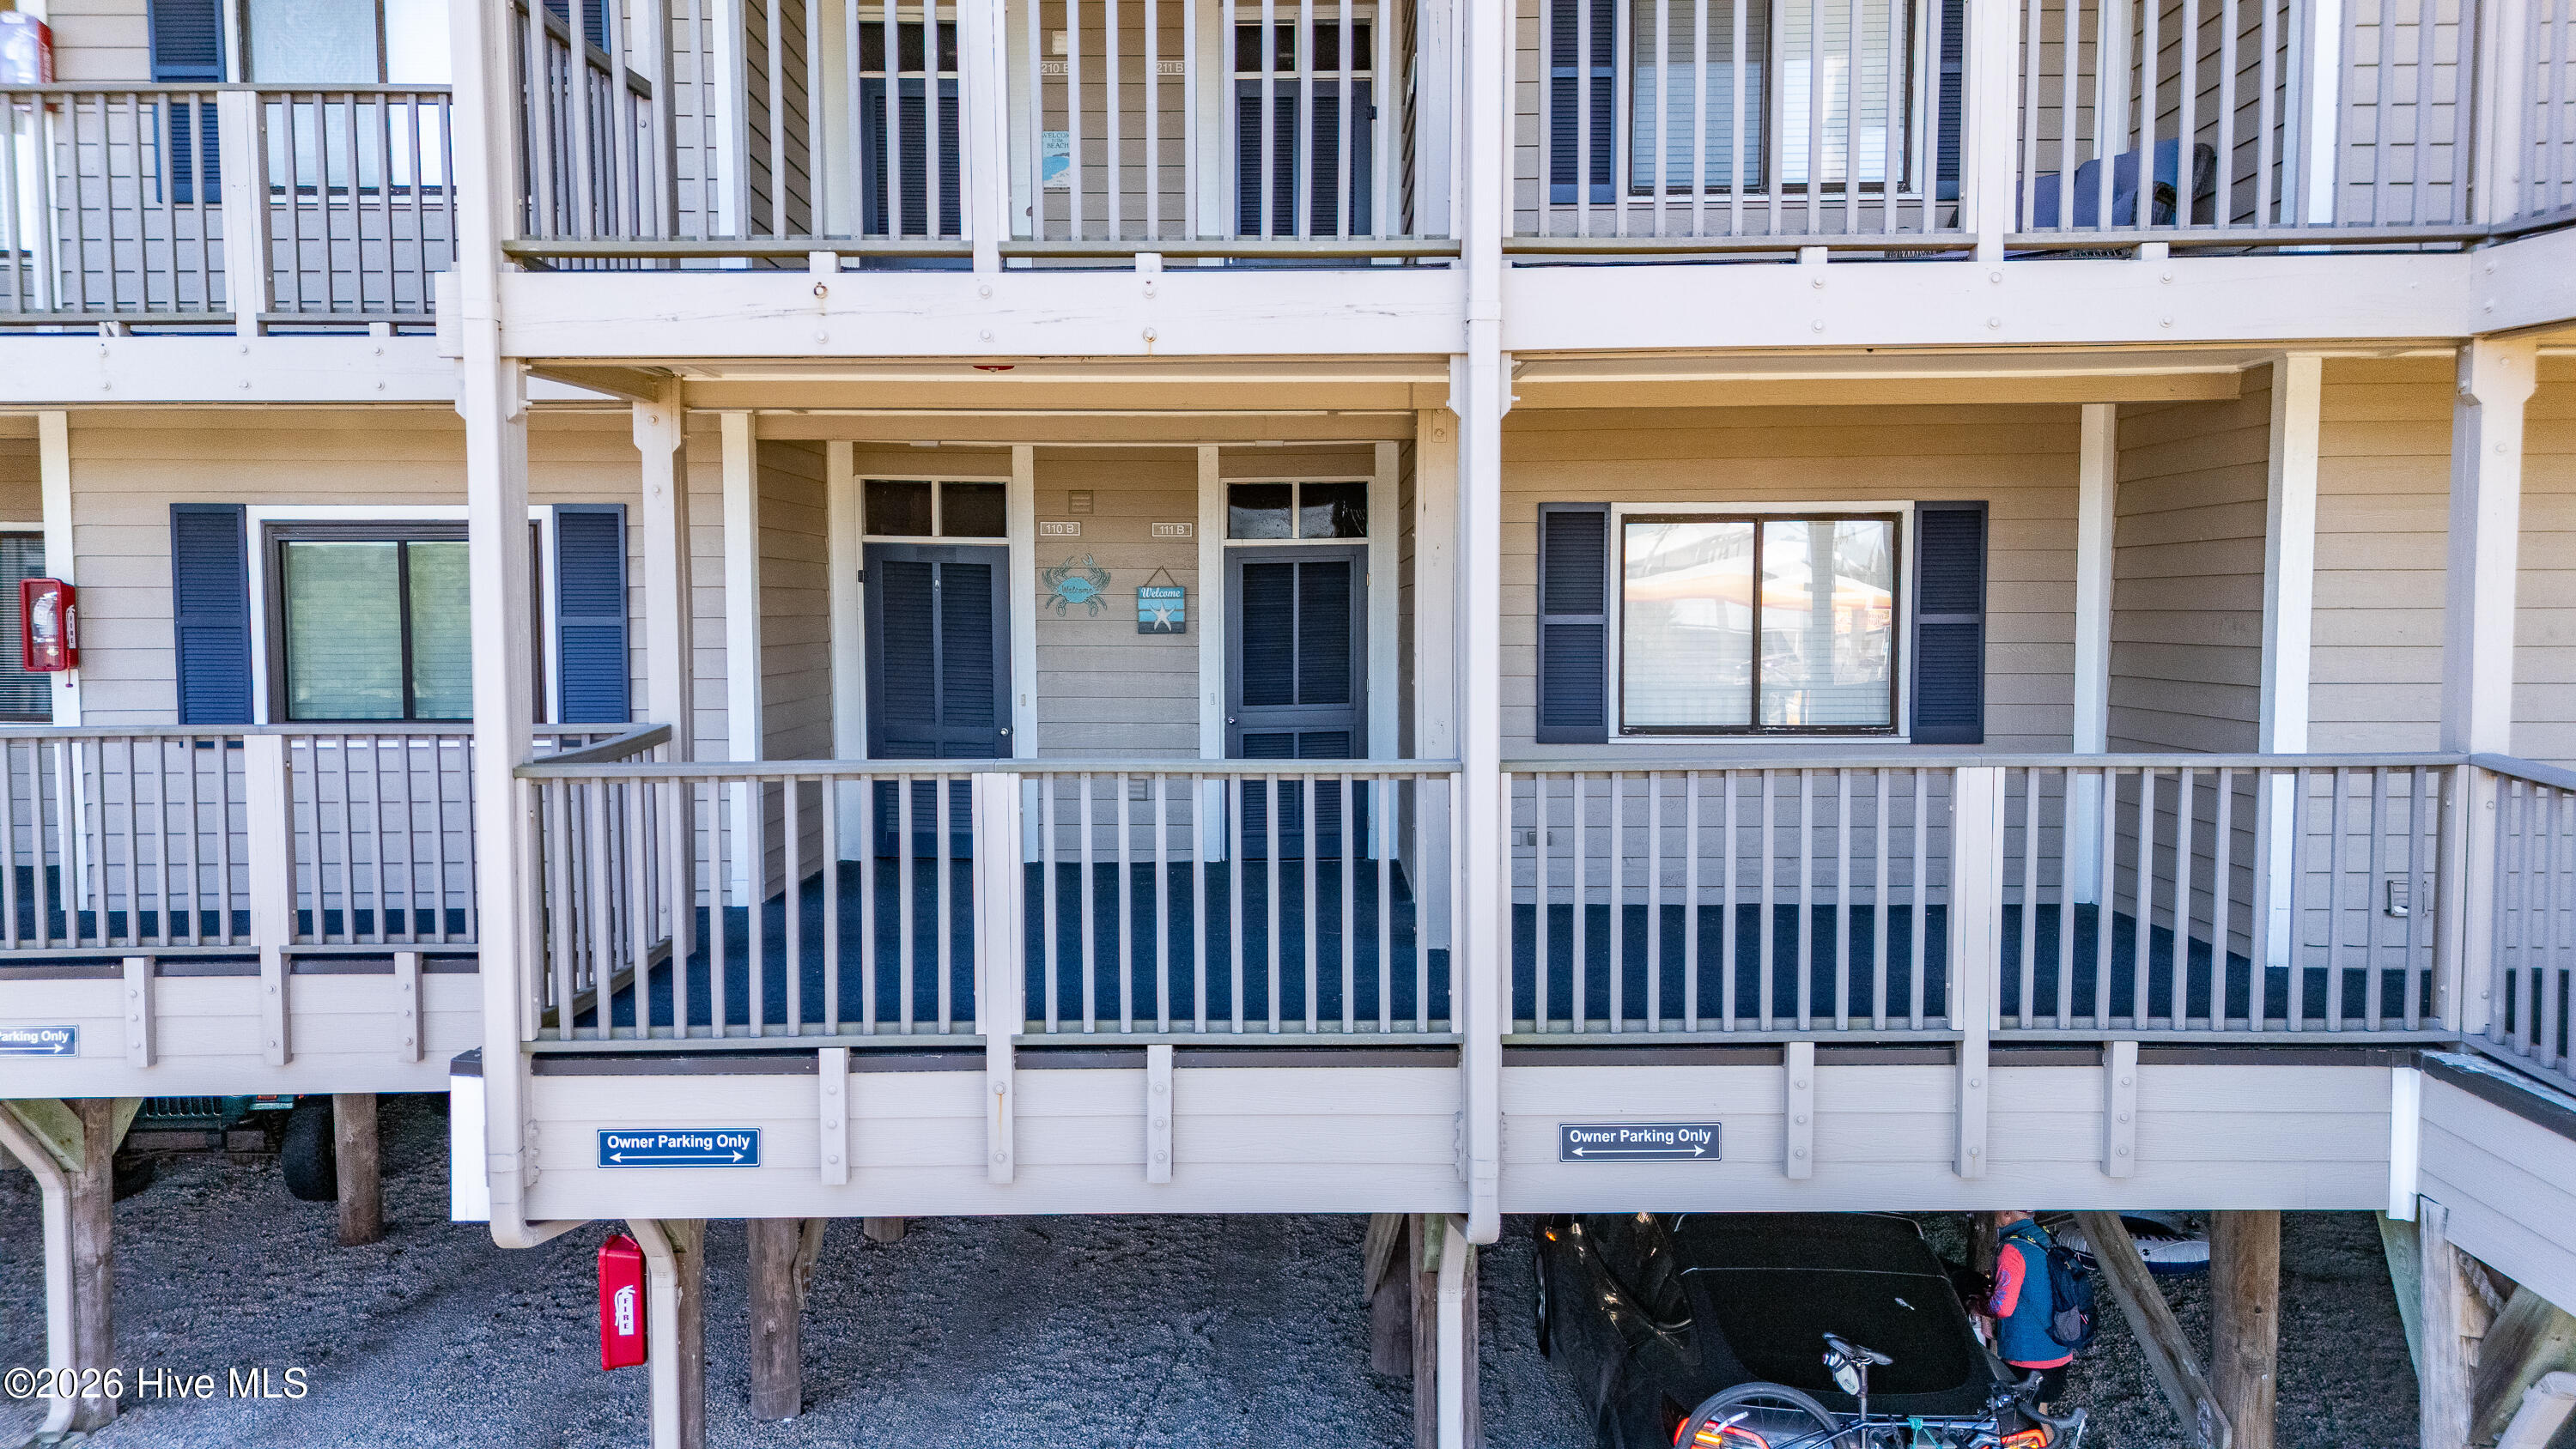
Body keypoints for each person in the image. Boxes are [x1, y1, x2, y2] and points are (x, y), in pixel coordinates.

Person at [1984, 1210, 2074, 1407]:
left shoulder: (2012, 1248)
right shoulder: (2044, 1236)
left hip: (2027, 1357)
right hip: (2060, 1350)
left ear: (2007, 1212)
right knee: (2040, 1415)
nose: (1992, 1216)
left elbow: (2002, 1308)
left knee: (2019, 1425)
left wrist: (1980, 1309)